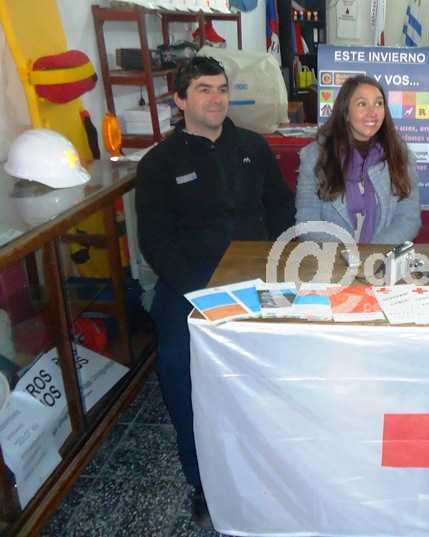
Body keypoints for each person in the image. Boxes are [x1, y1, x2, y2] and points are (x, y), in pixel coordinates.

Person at [135, 56, 294, 527]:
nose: (216, 98)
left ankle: (275, 463)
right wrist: (200, 293)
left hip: (257, 276)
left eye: (222, 88)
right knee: (178, 367)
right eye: (203, 89)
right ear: (180, 100)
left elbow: (280, 208)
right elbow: (155, 242)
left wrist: (278, 266)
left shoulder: (252, 147)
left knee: (280, 362)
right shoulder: (159, 163)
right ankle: (202, 479)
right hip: (189, 284)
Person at [295, 74, 420, 243]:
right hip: (332, 255)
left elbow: (408, 218)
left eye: (379, 103)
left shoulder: (400, 154)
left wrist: (373, 252)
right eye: (362, 104)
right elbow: (307, 219)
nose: (373, 112)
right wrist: (346, 253)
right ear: (346, 113)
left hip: (382, 255)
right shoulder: (316, 156)